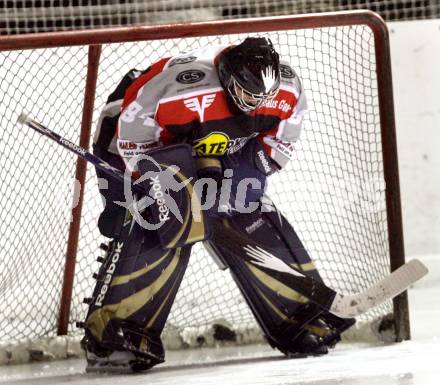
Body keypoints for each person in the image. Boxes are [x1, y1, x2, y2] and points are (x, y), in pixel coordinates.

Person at [82, 37, 355, 373]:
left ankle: (299, 316)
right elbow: (131, 140)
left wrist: (226, 184)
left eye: (262, 97)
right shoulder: (180, 91)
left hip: (217, 149)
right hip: (137, 146)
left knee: (248, 212)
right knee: (163, 224)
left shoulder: (285, 91)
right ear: (228, 80)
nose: (256, 104)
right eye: (247, 95)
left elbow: (277, 147)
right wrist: (169, 186)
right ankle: (116, 333)